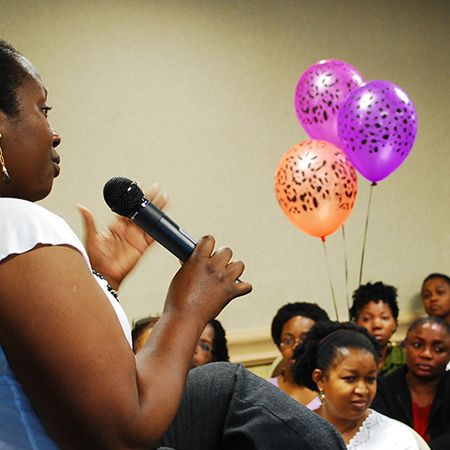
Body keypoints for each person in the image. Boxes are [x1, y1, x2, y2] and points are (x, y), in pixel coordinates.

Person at [0, 40, 347, 449]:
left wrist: (100, 281)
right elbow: (124, 432)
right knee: (226, 386)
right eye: (43, 110)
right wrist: (188, 309)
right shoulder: (16, 223)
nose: (55, 134)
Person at [292, 321, 420, 449]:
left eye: (370, 379)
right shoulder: (293, 434)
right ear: (320, 379)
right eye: (350, 378)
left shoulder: (395, 438)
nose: (362, 390)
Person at [371, 316, 450, 450]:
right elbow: (381, 439)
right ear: (405, 345)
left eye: (438, 349)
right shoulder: (382, 389)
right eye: (417, 345)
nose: (426, 354)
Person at [269, 302, 329, 408]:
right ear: (279, 346)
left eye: (305, 339)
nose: (296, 347)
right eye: (288, 340)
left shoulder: (332, 389)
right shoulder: (265, 390)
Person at [350, 281, 406, 376]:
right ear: (355, 324)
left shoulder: (406, 359)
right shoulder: (346, 360)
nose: (377, 325)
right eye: (367, 319)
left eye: (384, 318)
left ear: (394, 324)